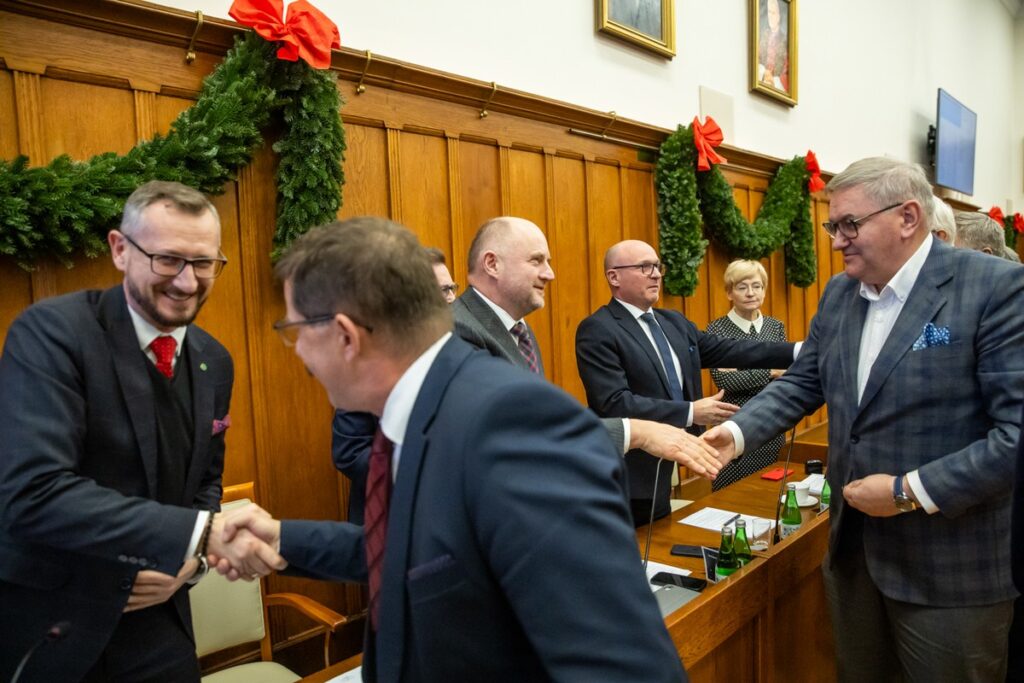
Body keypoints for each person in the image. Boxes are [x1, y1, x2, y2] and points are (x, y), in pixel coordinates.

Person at [218, 217, 687, 681]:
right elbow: (420, 553)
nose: (297, 352)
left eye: (297, 331)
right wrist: (281, 539)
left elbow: (624, 666)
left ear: (345, 336)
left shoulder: (512, 425)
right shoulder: (414, 409)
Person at [704, 157, 1024, 682]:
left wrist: (905, 490)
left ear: (908, 217)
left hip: (951, 570)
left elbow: (1014, 437)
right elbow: (806, 381)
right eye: (833, 225)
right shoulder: (839, 294)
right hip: (854, 560)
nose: (836, 240)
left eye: (850, 224)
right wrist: (735, 434)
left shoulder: (994, 288)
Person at [0, 181, 271, 682]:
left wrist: (193, 564)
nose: (188, 282)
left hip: (161, 626)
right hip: (55, 630)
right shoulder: (50, 335)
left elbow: (206, 480)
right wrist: (200, 536)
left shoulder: (215, 360)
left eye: (204, 263)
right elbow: (35, 492)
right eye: (168, 260)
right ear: (120, 250)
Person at [454, 216, 724, 478]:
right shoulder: (459, 329)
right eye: (536, 260)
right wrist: (637, 433)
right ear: (492, 264)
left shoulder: (518, 328)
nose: (549, 274)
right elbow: (517, 427)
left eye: (548, 261)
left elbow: (542, 413)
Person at [575, 239, 797, 524]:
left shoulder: (673, 322)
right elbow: (614, 403)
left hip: (670, 465)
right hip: (629, 478)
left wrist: (797, 350)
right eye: (644, 267)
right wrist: (691, 412)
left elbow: (732, 349)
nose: (655, 274)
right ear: (614, 276)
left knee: (664, 541)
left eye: (657, 266)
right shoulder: (598, 329)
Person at [705, 259, 787, 490]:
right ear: (729, 292)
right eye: (742, 287)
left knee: (770, 493)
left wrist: (749, 374)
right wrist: (770, 372)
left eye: (757, 286)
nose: (751, 293)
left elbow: (787, 376)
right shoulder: (717, 330)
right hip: (734, 426)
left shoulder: (775, 326)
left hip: (772, 424)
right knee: (732, 495)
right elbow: (725, 380)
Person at [758, 0, 789, 92]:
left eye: (773, 13)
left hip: (776, 85)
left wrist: (774, 80)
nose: (770, 16)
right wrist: (764, 73)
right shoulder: (764, 36)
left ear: (779, 16)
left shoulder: (785, 41)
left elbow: (787, 73)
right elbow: (756, 59)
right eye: (769, 12)